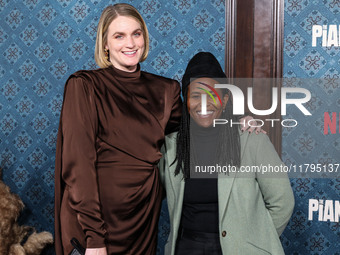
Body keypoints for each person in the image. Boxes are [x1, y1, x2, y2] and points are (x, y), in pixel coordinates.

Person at [54, 4, 182, 255]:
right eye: (119, 35)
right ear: (105, 44)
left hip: (142, 220)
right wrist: (94, 238)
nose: (131, 43)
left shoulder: (166, 91)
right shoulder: (84, 86)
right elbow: (78, 165)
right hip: (93, 226)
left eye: (136, 33)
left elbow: (196, 133)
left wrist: (240, 123)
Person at [159, 52, 295, 255]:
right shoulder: (170, 147)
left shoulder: (252, 139)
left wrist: (253, 242)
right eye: (195, 96)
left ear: (225, 98)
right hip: (185, 247)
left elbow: (282, 202)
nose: (204, 104)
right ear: (185, 100)